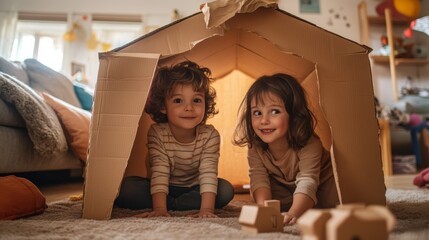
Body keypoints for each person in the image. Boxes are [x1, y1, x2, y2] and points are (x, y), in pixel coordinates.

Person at [115, 60, 234, 218]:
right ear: (163, 106)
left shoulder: (210, 135)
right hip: (161, 189)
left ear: (206, 103)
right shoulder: (157, 133)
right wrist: (159, 208)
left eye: (196, 100)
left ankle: (175, 205)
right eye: (178, 100)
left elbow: (208, 173)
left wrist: (206, 210)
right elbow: (159, 171)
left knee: (225, 190)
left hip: (194, 189)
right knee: (126, 188)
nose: (189, 107)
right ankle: (170, 205)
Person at [233, 73, 339, 225]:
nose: (264, 120)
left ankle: (304, 206)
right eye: (257, 113)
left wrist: (294, 213)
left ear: (293, 114)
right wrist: (266, 211)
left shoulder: (309, 142)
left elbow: (308, 179)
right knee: (261, 193)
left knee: (332, 200)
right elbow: (258, 178)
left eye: (274, 111)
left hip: (321, 182)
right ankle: (297, 204)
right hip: (285, 187)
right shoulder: (255, 146)